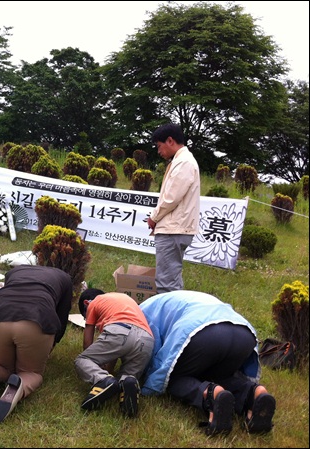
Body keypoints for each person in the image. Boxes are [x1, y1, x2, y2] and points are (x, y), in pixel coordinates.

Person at [139, 290, 276, 436]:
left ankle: (212, 395)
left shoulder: (142, 313)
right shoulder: (171, 298)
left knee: (175, 378)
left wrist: (149, 382)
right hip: (243, 332)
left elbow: (149, 348)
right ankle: (254, 394)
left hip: (203, 333)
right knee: (220, 377)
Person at [0, 265, 73, 424]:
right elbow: (62, 316)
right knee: (31, 372)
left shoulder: (15, 271)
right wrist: (52, 342)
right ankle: (19, 385)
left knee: (2, 365)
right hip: (35, 317)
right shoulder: (66, 278)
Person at [74, 288, 155, 417]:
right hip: (147, 339)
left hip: (120, 330)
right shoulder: (124, 300)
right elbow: (114, 353)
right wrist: (108, 370)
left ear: (86, 303)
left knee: (82, 360)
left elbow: (87, 344)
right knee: (127, 378)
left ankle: (103, 380)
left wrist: (100, 371)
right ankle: (127, 386)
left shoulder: (94, 303)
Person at [146, 123, 200, 293]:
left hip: (173, 230)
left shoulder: (184, 162)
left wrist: (154, 217)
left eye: (159, 146)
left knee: (166, 284)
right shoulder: (181, 161)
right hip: (175, 228)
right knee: (171, 280)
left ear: (170, 141)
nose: (158, 151)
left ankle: (169, 319)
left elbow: (171, 198)